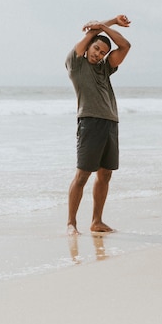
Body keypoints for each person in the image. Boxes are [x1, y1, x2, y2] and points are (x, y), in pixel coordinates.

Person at [64, 14, 131, 235]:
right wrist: (106, 24)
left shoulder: (105, 68)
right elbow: (85, 41)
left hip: (110, 123)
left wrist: (104, 26)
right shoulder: (76, 64)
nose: (99, 55)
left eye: (103, 52)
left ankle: (97, 221)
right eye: (96, 50)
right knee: (82, 175)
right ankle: (71, 224)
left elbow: (125, 45)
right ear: (89, 46)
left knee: (105, 174)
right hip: (89, 123)